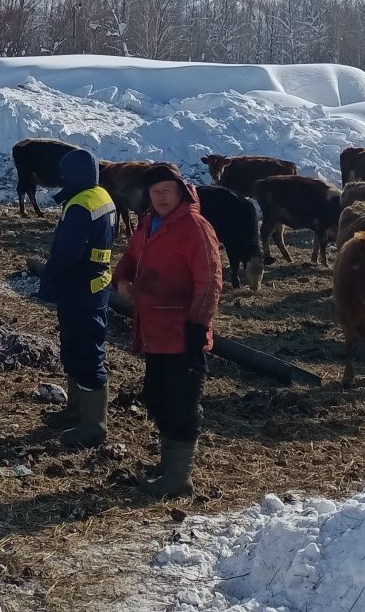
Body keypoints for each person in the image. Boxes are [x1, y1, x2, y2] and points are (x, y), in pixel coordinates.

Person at [111, 161, 223, 498]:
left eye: (166, 191)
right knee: (158, 397)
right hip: (153, 330)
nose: (160, 197)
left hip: (182, 333)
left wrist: (196, 327)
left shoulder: (194, 228)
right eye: (154, 192)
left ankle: (179, 478)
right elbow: (130, 257)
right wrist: (121, 280)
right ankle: (167, 464)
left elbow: (210, 282)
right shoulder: (149, 223)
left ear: (181, 192)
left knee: (182, 403)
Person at [36, 146, 116, 448]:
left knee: (86, 352)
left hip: (79, 288)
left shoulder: (80, 205)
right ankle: (77, 411)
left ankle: (93, 425)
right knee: (77, 346)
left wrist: (50, 277)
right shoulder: (102, 197)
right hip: (96, 285)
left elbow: (67, 252)